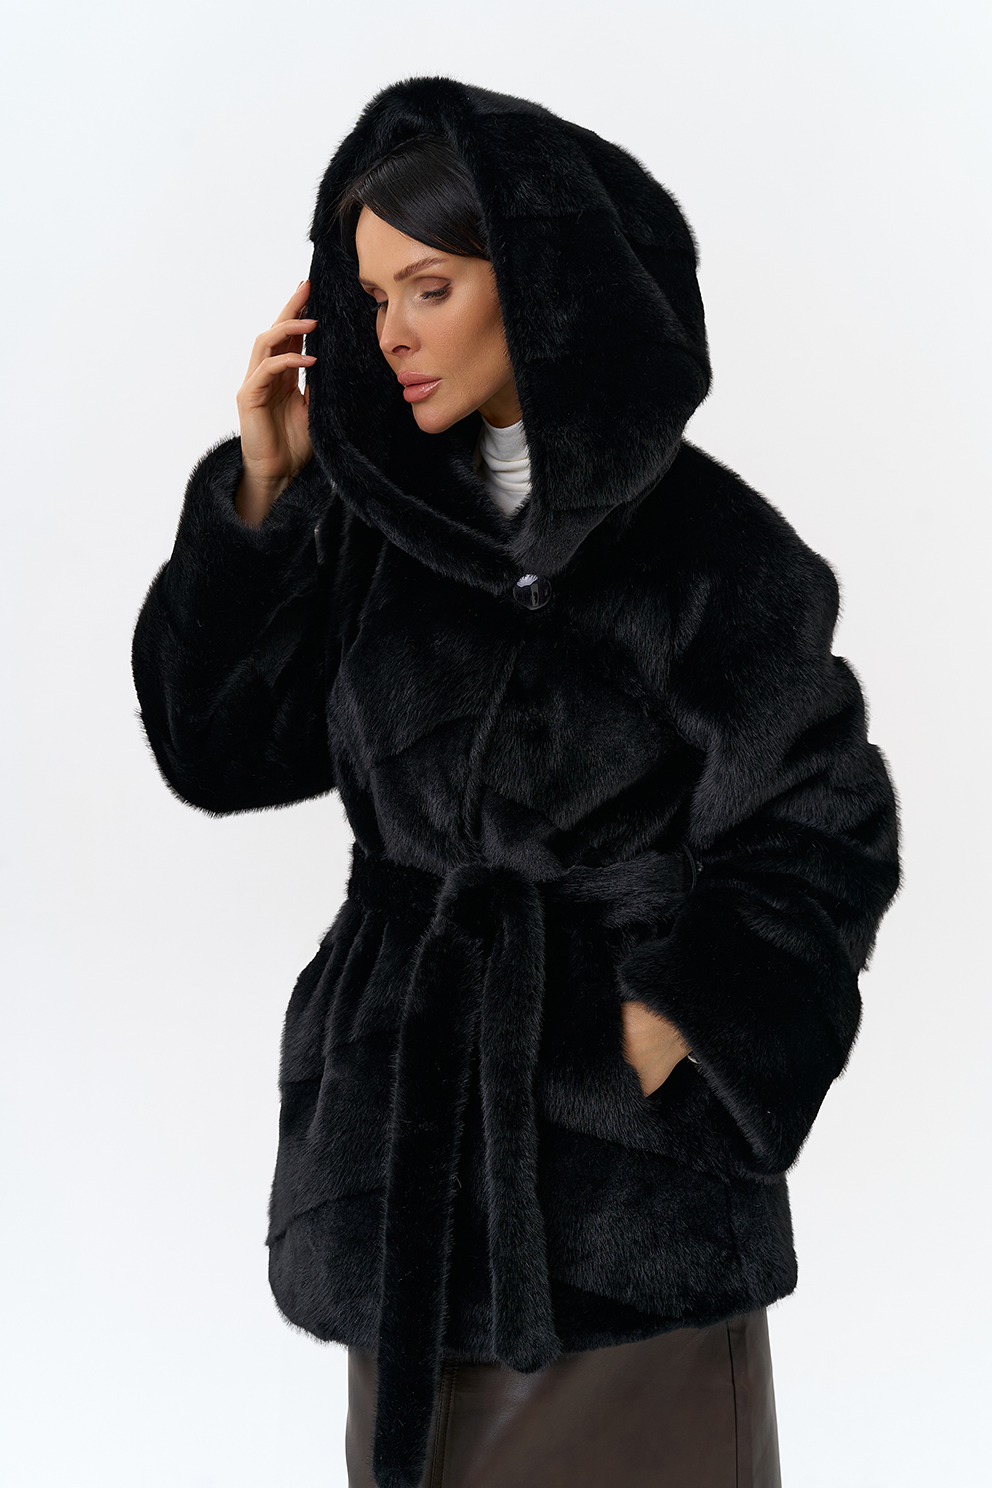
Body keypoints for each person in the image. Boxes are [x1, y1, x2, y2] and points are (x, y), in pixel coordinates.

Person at [131, 77, 900, 1488]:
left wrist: (673, 1030)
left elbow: (822, 819)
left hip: (626, 1201)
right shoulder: (370, 532)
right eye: (372, 297)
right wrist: (265, 496)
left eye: (430, 288)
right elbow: (215, 748)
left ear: (540, 288)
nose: (391, 333)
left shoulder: (708, 546)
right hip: (411, 1163)